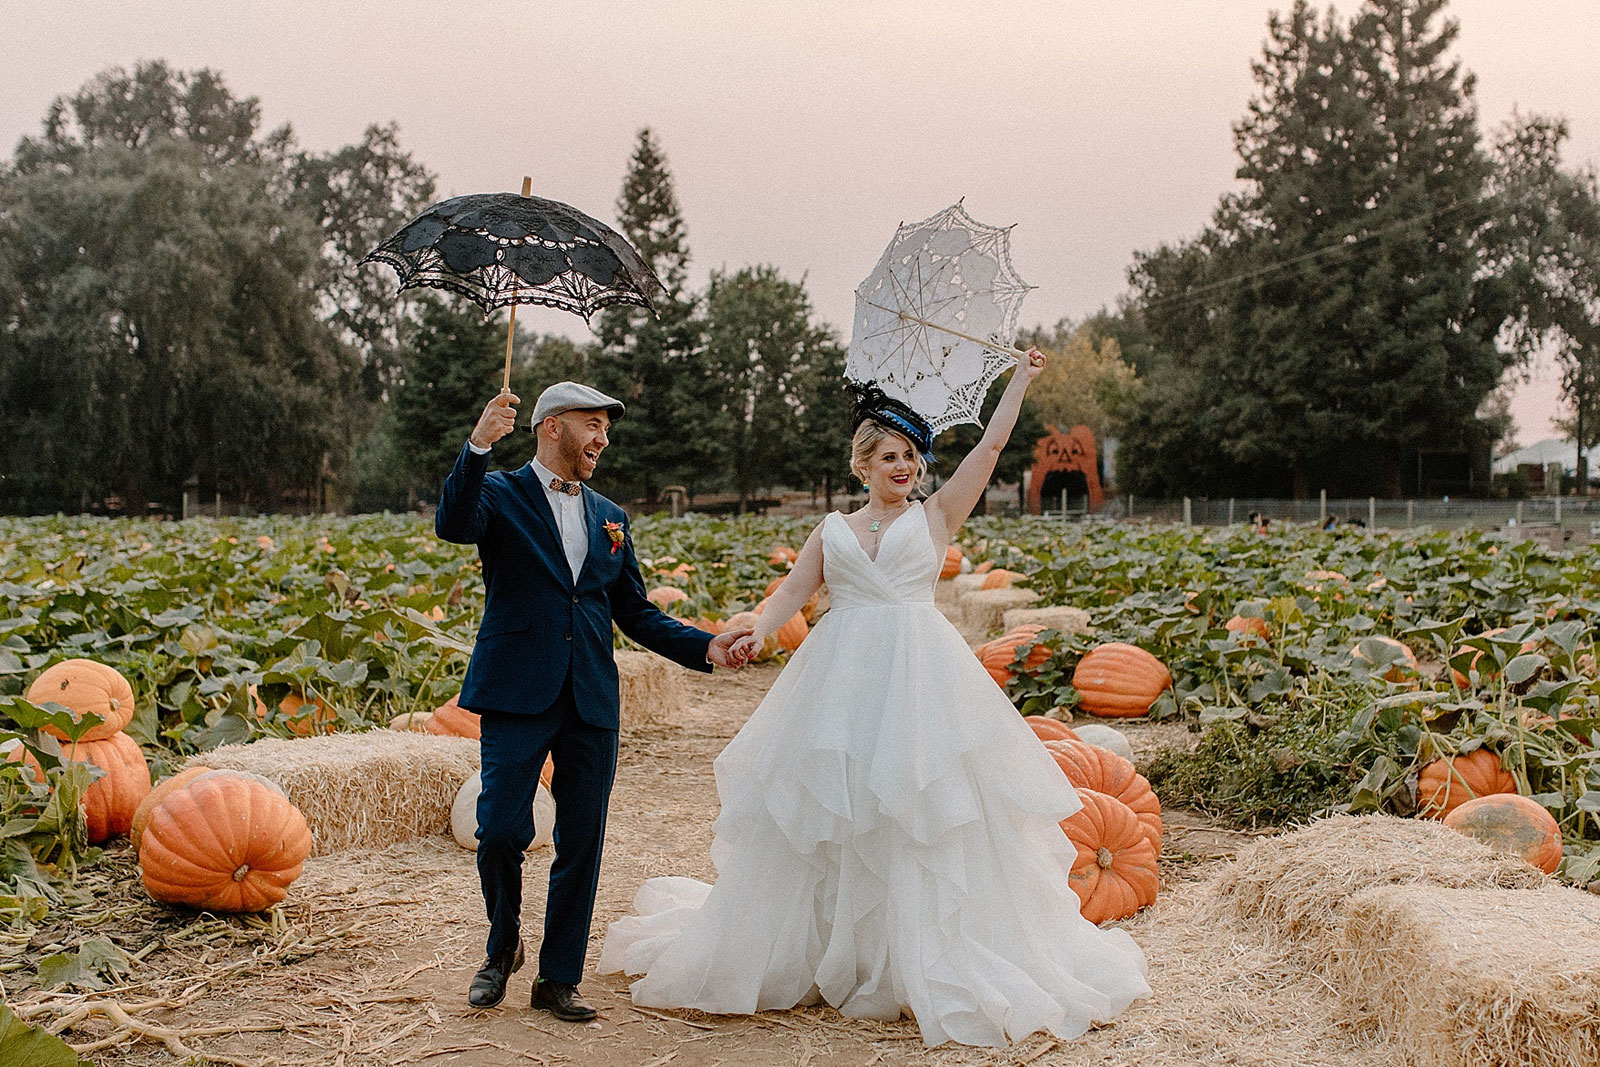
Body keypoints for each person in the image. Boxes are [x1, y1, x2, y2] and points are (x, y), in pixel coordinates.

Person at [598, 350, 1150, 1047]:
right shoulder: (832, 530)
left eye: (912, 457)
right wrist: (755, 632)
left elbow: (993, 444)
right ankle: (839, 951)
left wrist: (1024, 379)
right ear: (862, 463)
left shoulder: (939, 515)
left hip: (924, 680)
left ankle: (910, 955)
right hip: (842, 685)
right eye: (890, 456)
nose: (905, 467)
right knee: (841, 808)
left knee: (921, 810)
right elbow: (791, 596)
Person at [436, 382, 753, 1021]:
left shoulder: (611, 516)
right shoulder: (498, 493)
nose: (603, 439)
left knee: (583, 839)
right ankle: (502, 947)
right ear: (551, 427)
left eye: (607, 428)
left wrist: (707, 647)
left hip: (590, 700)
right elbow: (452, 523)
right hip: (515, 691)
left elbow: (633, 610)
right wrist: (477, 444)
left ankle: (558, 978)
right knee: (499, 828)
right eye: (592, 425)